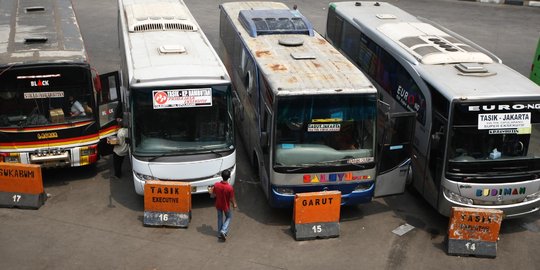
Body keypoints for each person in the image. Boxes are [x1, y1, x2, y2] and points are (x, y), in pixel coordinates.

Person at [209, 170, 237, 241]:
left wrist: (211, 192)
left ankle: (219, 234)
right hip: (226, 206)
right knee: (229, 217)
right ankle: (223, 230)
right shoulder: (229, 188)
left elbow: (213, 194)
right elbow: (231, 198)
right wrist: (234, 204)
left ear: (221, 176)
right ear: (229, 177)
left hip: (218, 205)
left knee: (220, 218)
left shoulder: (216, 185)